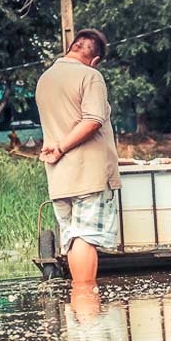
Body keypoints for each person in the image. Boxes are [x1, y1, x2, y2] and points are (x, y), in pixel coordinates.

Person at [36, 28, 121, 284]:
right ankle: (85, 296)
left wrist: (57, 150)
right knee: (86, 237)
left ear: (71, 47)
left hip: (59, 175)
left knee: (72, 237)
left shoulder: (45, 79)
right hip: (88, 173)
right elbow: (93, 120)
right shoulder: (90, 76)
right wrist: (61, 147)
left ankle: (79, 299)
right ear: (95, 60)